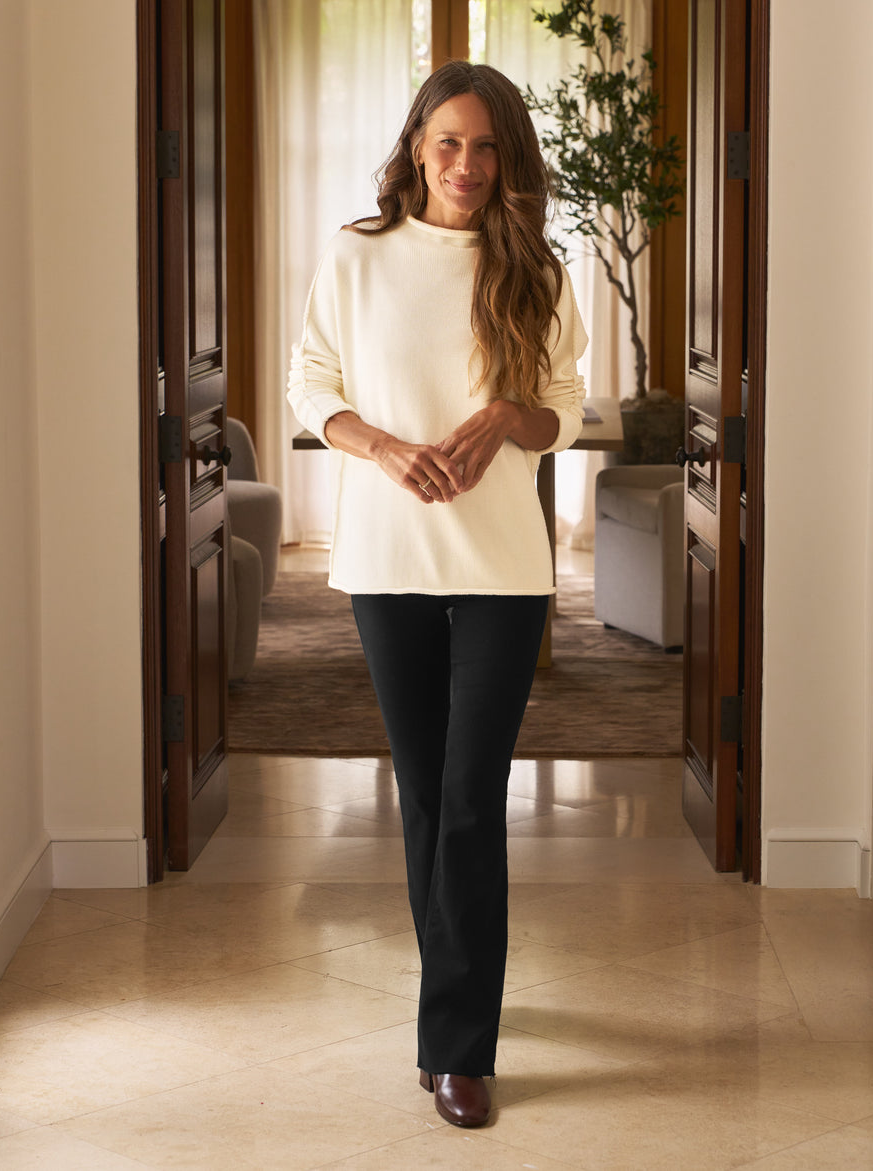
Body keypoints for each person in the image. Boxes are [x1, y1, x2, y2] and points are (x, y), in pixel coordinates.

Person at [287, 59, 587, 1128]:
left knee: (469, 800)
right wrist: (375, 444)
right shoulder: (357, 255)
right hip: (384, 558)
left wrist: (508, 418)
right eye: (449, 142)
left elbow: (562, 410)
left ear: (509, 159)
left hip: (501, 565)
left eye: (487, 146)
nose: (466, 164)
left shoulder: (535, 269)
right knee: (423, 797)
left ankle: (460, 1046)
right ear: (416, 144)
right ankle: (449, 1006)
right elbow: (310, 380)